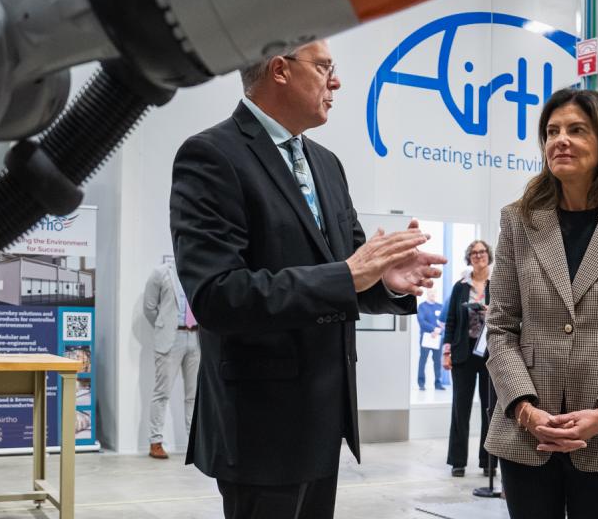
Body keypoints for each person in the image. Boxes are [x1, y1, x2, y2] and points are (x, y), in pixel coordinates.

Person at [170, 39, 446, 519]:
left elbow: (350, 271)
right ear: (280, 70)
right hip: (260, 427)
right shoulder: (212, 156)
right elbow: (218, 296)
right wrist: (349, 274)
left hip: (324, 419)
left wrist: (386, 281)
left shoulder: (326, 164)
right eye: (324, 68)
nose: (335, 81)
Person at [484, 88, 598, 519]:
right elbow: (501, 327)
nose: (559, 140)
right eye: (551, 131)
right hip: (527, 433)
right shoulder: (519, 219)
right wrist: (525, 409)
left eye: (575, 130)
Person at [442, 240, 494, 477]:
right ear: (469, 257)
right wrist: (447, 352)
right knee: (459, 409)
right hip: (463, 354)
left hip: (490, 355)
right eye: (473, 253)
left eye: (482, 252)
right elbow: (451, 321)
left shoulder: (498, 284)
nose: (478, 256)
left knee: (489, 409)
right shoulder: (460, 287)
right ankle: (458, 461)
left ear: (488, 255)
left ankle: (489, 462)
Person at [143, 258, 201, 460]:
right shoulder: (161, 272)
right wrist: (165, 326)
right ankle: (155, 441)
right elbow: (149, 308)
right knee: (162, 391)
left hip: (196, 336)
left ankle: (196, 444)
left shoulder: (199, 269)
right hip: (171, 337)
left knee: (194, 396)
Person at [417, 284, 445, 391]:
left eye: (434, 292)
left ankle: (438, 383)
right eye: (430, 292)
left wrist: (439, 330)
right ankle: (421, 383)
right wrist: (434, 329)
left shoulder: (440, 306)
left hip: (438, 338)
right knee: (423, 360)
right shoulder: (422, 307)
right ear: (427, 294)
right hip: (426, 338)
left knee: (437, 361)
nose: (432, 294)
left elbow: (444, 322)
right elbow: (421, 321)